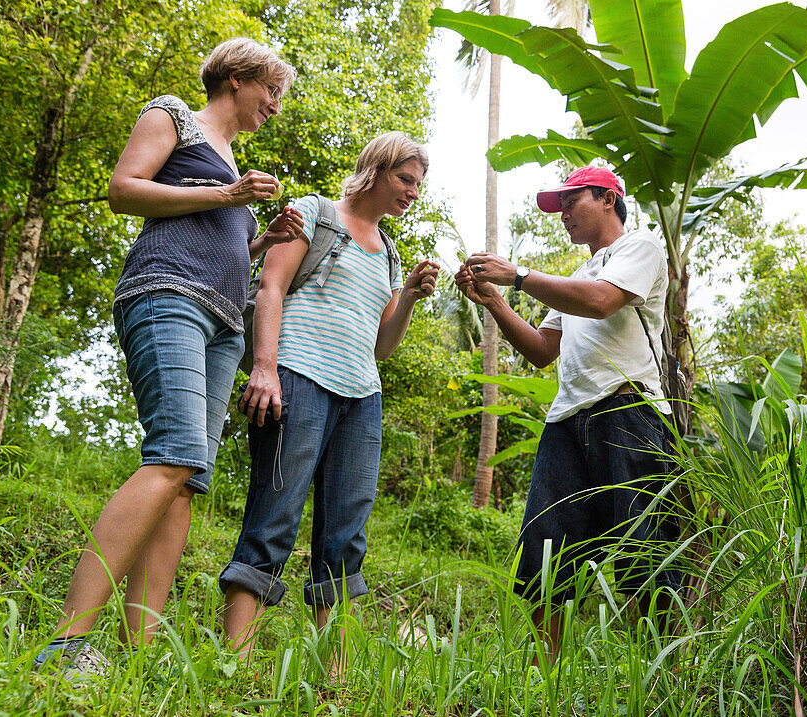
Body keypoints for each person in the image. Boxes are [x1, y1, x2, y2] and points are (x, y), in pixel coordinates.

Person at [32, 38, 302, 676]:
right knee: (175, 454)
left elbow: (218, 237)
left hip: (223, 322)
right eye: (272, 91)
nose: (275, 105)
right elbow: (124, 191)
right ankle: (66, 644)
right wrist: (227, 196)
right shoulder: (174, 116)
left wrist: (263, 238)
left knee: (187, 482)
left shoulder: (232, 159)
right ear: (237, 79)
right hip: (167, 295)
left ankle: (134, 657)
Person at [217, 132, 439, 672]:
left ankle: (333, 671)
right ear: (376, 169)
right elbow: (271, 286)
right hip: (298, 376)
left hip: (361, 397)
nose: (412, 192)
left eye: (418, 184)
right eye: (404, 179)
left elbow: (381, 345)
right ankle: (233, 663)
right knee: (275, 512)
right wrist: (264, 368)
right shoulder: (314, 213)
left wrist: (406, 294)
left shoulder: (388, 252)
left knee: (346, 532)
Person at [455, 166, 680, 662]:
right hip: (567, 422)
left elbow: (603, 303)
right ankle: (544, 678)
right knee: (543, 554)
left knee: (643, 551)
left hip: (629, 410)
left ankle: (663, 676)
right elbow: (541, 350)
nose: (561, 216)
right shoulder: (574, 277)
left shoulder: (638, 248)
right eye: (557, 207)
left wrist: (517, 275)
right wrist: (495, 300)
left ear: (606, 198)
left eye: (569, 202)